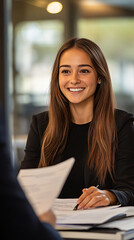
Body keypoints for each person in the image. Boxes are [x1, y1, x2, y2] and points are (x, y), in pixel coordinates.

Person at [20, 37, 134, 210]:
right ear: (57, 78)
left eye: (84, 71)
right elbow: (25, 187)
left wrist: (109, 196)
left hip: (102, 231)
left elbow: (130, 190)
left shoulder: (122, 124)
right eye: (65, 71)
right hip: (53, 227)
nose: (74, 79)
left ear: (99, 77)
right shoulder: (41, 124)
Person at [0, 107, 62, 240]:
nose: (74, 83)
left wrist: (111, 195)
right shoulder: (41, 122)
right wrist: (46, 226)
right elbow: (26, 178)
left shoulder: (118, 122)